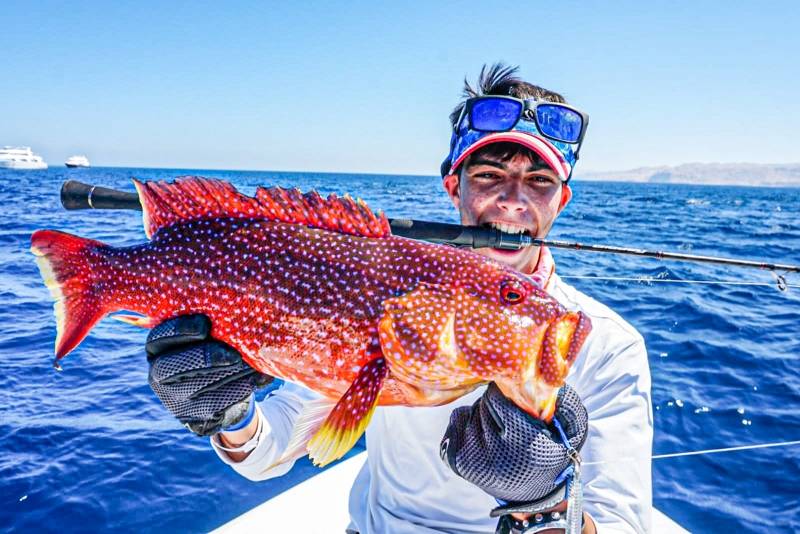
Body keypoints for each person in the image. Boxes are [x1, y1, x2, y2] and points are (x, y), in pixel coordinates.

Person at [146, 64, 653, 533]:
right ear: (453, 188)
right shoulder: (385, 293)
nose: (513, 200)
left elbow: (620, 523)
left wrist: (543, 506)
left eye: (539, 181)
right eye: (489, 175)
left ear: (560, 200)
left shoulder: (607, 345)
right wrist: (226, 413)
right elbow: (268, 451)